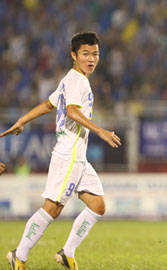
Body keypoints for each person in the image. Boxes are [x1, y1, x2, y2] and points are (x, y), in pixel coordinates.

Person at [2, 32, 121, 270]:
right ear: (73, 55)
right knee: (52, 208)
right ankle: (20, 255)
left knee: (98, 206)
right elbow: (72, 112)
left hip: (79, 156)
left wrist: (22, 120)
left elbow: (49, 104)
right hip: (69, 155)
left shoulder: (70, 79)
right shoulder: (78, 81)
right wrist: (101, 131)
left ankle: (67, 253)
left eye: (95, 54)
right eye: (85, 54)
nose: (91, 59)